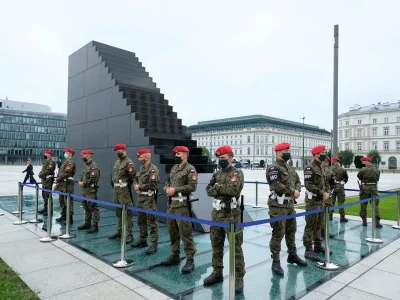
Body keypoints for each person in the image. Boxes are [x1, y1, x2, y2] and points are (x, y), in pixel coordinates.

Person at [203, 145, 245, 293]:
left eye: (223, 158)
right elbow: (208, 190)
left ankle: (239, 277)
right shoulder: (217, 174)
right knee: (216, 245)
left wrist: (217, 187)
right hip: (216, 215)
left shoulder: (237, 173)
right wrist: (221, 187)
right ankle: (217, 272)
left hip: (231, 216)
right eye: (219, 158)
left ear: (231, 157)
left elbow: (233, 190)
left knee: (235, 248)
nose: (221, 160)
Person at [266, 142, 307, 276]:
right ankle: (276, 261)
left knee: (291, 231)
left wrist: (298, 190)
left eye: (288, 150)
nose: (288, 152)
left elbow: (298, 181)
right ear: (278, 153)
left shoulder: (290, 168)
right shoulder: (273, 168)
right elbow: (276, 185)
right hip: (278, 206)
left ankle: (292, 255)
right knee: (278, 233)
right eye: (286, 150)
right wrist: (292, 191)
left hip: (289, 205)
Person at [160, 146, 197, 273]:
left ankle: (190, 259)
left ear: (185, 155)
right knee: (172, 232)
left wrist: (175, 190)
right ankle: (174, 255)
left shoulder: (190, 169)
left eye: (179, 154)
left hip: (182, 206)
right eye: (175, 154)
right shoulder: (174, 168)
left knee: (185, 233)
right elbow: (167, 182)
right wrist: (166, 189)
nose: (176, 156)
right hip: (171, 205)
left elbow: (192, 187)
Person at [302, 145, 331, 261]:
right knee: (310, 226)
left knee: (319, 225)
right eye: (322, 152)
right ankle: (308, 249)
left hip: (321, 202)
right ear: (316, 154)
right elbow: (309, 185)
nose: (324, 154)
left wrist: (328, 192)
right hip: (312, 201)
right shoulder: (310, 168)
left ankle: (318, 246)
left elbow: (326, 183)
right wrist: (321, 193)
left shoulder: (322, 168)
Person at [131, 148, 159, 254]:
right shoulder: (141, 169)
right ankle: (143, 239)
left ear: (146, 157)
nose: (139, 159)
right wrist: (135, 187)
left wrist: (140, 187)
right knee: (141, 220)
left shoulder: (153, 170)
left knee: (152, 222)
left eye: (140, 157)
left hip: (149, 199)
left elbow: (153, 185)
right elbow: (135, 180)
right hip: (141, 199)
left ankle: (153, 244)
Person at [108, 143, 136, 243]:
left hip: (124, 191)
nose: (117, 153)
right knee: (118, 212)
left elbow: (133, 177)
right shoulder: (117, 163)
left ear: (124, 150)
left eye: (118, 151)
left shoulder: (129, 163)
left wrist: (125, 185)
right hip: (116, 190)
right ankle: (119, 231)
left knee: (127, 213)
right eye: (116, 151)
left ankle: (130, 234)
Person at [77, 149, 101, 233]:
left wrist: (84, 183)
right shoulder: (87, 166)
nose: (82, 157)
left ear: (88, 155)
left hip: (90, 190)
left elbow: (94, 179)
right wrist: (80, 182)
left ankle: (95, 225)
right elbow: (84, 176)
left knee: (93, 207)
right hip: (85, 190)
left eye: (83, 155)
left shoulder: (93, 166)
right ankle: (87, 223)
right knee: (86, 207)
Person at [357, 156, 381, 227]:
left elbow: (359, 177)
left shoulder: (362, 170)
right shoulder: (376, 169)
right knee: (375, 206)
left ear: (366, 161)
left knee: (363, 206)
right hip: (373, 188)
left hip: (365, 188)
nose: (362, 162)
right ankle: (377, 222)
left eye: (363, 161)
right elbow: (378, 178)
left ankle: (364, 222)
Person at [55, 148, 76, 224]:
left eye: (66, 152)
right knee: (62, 200)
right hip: (62, 183)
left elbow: (67, 173)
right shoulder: (65, 162)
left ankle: (69, 218)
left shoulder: (71, 162)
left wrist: (59, 179)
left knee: (68, 201)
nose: (65, 154)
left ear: (70, 153)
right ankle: (63, 215)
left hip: (67, 184)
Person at [330, 156, 348, 222]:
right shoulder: (342, 169)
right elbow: (346, 178)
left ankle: (330, 215)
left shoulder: (330, 169)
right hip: (340, 186)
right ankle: (342, 217)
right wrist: (343, 182)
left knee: (331, 202)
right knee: (341, 202)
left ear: (334, 161)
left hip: (332, 186)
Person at [38, 150, 56, 215]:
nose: (44, 154)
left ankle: (49, 210)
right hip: (44, 180)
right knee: (44, 195)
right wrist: (41, 174)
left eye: (45, 153)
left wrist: (41, 175)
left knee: (48, 195)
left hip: (48, 180)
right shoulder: (46, 161)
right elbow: (43, 170)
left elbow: (49, 170)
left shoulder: (52, 162)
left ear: (49, 154)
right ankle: (45, 208)